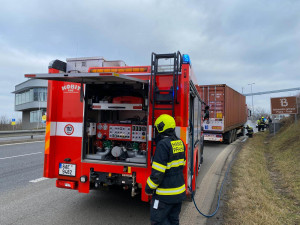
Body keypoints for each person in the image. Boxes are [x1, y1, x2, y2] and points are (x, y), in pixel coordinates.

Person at [145, 114, 186, 225]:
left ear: (161, 128)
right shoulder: (180, 143)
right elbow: (182, 164)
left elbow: (158, 173)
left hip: (164, 196)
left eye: (157, 129)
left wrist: (148, 188)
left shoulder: (162, 145)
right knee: (174, 221)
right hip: (179, 194)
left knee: (158, 221)